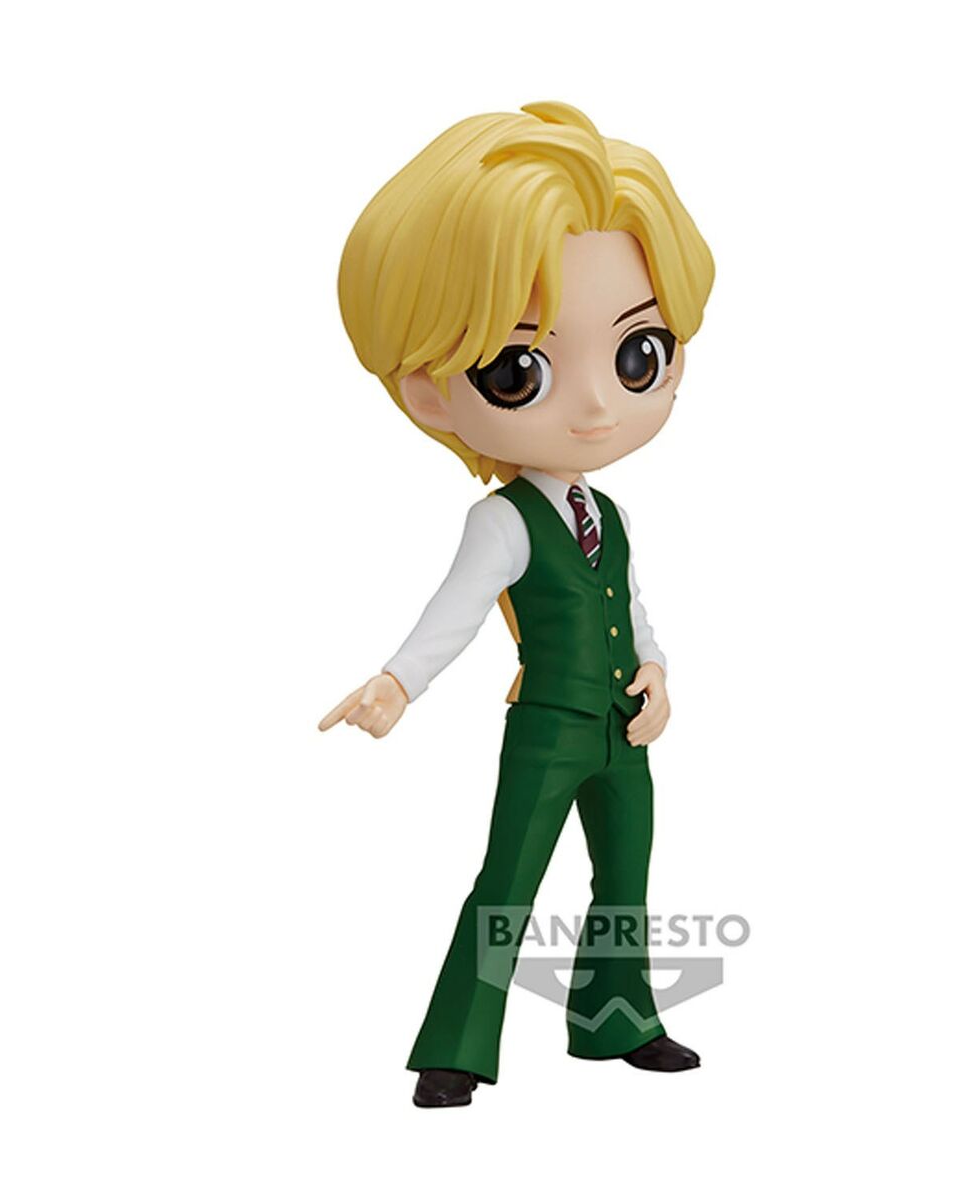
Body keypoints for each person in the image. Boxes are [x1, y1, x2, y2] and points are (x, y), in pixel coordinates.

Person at [319, 101, 715, 1107]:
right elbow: (454, 611)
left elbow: (631, 603)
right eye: (521, 367)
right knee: (509, 880)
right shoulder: (504, 521)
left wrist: (657, 673)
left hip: (622, 726)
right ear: (430, 391)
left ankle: (620, 1020)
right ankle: (455, 1048)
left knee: (625, 880)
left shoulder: (608, 512)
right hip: (547, 726)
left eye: (638, 354)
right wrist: (398, 682)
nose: (597, 405)